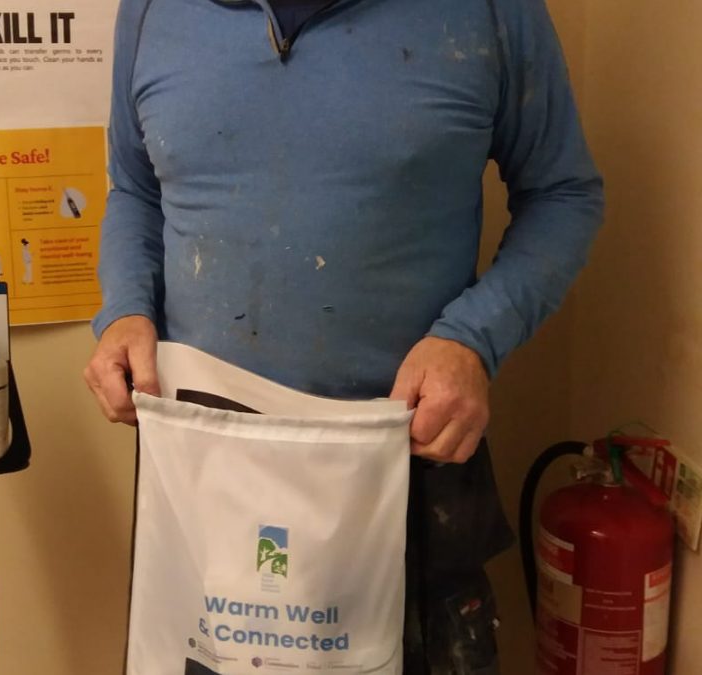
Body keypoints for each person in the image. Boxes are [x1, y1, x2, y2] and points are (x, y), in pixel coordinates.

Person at [83, 0, 603, 672]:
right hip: (204, 477)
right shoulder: (152, 11)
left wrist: (474, 339)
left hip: (407, 473)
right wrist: (126, 308)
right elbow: (134, 189)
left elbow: (563, 193)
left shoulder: (492, 11)